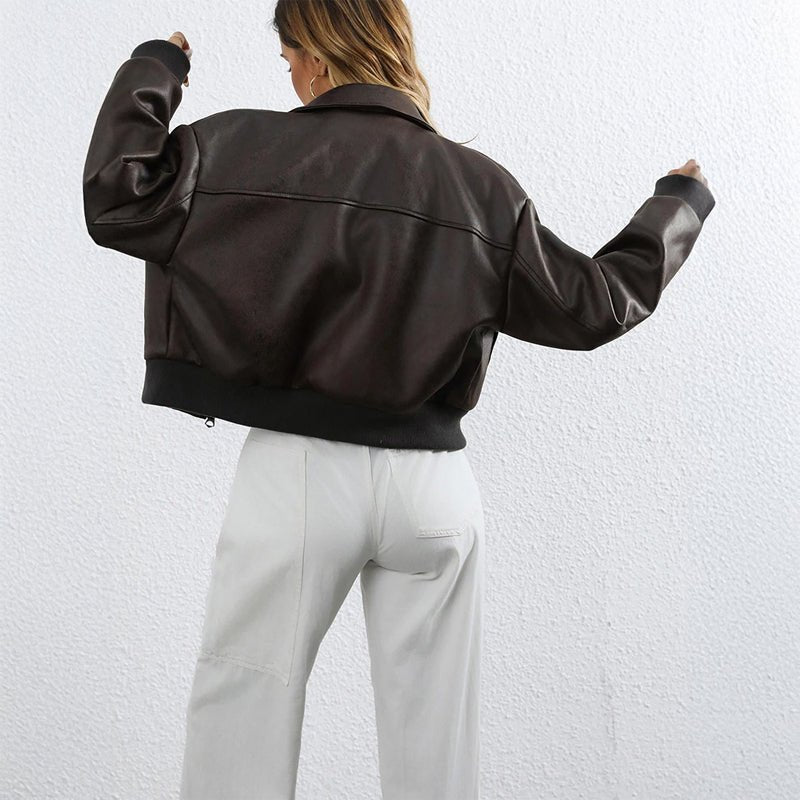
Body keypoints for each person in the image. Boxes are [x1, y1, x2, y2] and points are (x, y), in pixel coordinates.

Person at [81, 1, 716, 797]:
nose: (291, 75)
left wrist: (157, 65)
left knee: (241, 715)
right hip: (434, 488)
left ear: (318, 53)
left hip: (299, 475)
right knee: (436, 748)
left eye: (289, 57)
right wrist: (678, 204)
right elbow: (594, 305)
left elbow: (119, 196)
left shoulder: (237, 146)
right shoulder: (483, 188)